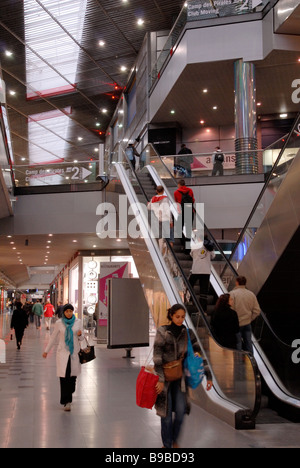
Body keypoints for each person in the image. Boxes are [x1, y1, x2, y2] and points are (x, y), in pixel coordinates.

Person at [153, 304, 212, 449]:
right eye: (177, 317)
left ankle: (174, 441)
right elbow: (157, 358)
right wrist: (160, 379)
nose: (180, 320)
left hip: (180, 379)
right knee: (166, 416)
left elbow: (199, 355)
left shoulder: (187, 333)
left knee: (180, 413)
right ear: (171, 316)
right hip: (165, 380)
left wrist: (208, 376)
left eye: (182, 317)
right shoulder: (163, 332)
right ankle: (167, 446)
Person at [43, 304, 84, 411]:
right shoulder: (59, 323)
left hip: (74, 353)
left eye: (71, 311)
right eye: (67, 311)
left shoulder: (78, 322)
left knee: (72, 379)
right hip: (62, 353)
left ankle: (69, 393)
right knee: (64, 377)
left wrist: (80, 334)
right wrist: (46, 351)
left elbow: (82, 337)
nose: (69, 313)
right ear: (64, 313)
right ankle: (66, 402)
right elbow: (53, 338)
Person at [229, 276, 261, 354]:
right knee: (248, 343)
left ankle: (239, 362)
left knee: (238, 344)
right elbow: (257, 311)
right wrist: (250, 319)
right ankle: (251, 361)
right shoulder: (251, 294)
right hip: (247, 323)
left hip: (237, 324)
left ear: (237, 282)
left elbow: (230, 310)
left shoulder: (232, 294)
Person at [189, 236, 215, 312]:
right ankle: (203, 310)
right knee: (203, 291)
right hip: (206, 271)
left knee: (189, 285)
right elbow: (213, 256)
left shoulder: (194, 246)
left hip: (196, 270)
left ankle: (190, 300)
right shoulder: (210, 246)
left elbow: (192, 255)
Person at [147, 185, 174, 253]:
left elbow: (148, 207)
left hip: (157, 220)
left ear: (156, 191)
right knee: (170, 235)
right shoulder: (165, 199)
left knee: (160, 236)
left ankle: (160, 250)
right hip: (165, 219)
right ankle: (168, 250)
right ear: (163, 191)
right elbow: (167, 210)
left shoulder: (153, 199)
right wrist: (171, 221)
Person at [174, 179, 195, 253]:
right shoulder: (190, 190)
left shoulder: (176, 192)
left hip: (182, 212)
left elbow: (177, 203)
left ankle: (184, 243)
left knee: (179, 229)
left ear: (179, 184)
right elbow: (193, 200)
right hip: (190, 211)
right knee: (189, 230)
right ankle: (187, 248)